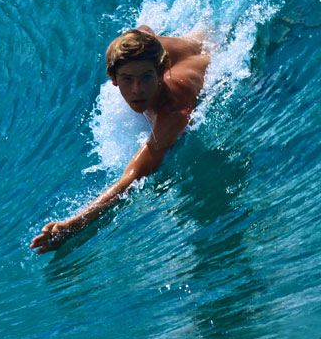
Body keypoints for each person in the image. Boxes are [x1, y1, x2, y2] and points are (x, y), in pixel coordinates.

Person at [30, 25, 211, 254]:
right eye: (127, 79)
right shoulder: (140, 51)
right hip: (188, 43)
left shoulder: (171, 116)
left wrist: (73, 224)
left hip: (214, 52)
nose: (137, 90)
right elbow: (140, 33)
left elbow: (132, 178)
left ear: (161, 70)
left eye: (146, 78)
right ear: (113, 78)